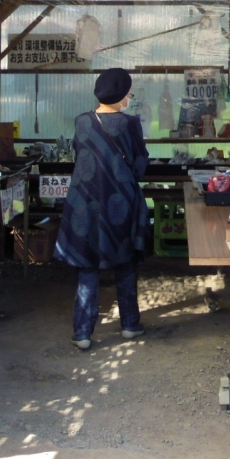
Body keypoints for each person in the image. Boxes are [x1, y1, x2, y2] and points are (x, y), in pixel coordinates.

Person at [54, 67, 151, 350]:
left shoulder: (82, 121)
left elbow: (82, 156)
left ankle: (83, 333)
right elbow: (140, 163)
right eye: (129, 93)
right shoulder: (129, 123)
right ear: (121, 95)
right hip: (120, 201)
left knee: (87, 264)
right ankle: (130, 325)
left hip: (85, 203)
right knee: (125, 263)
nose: (129, 98)